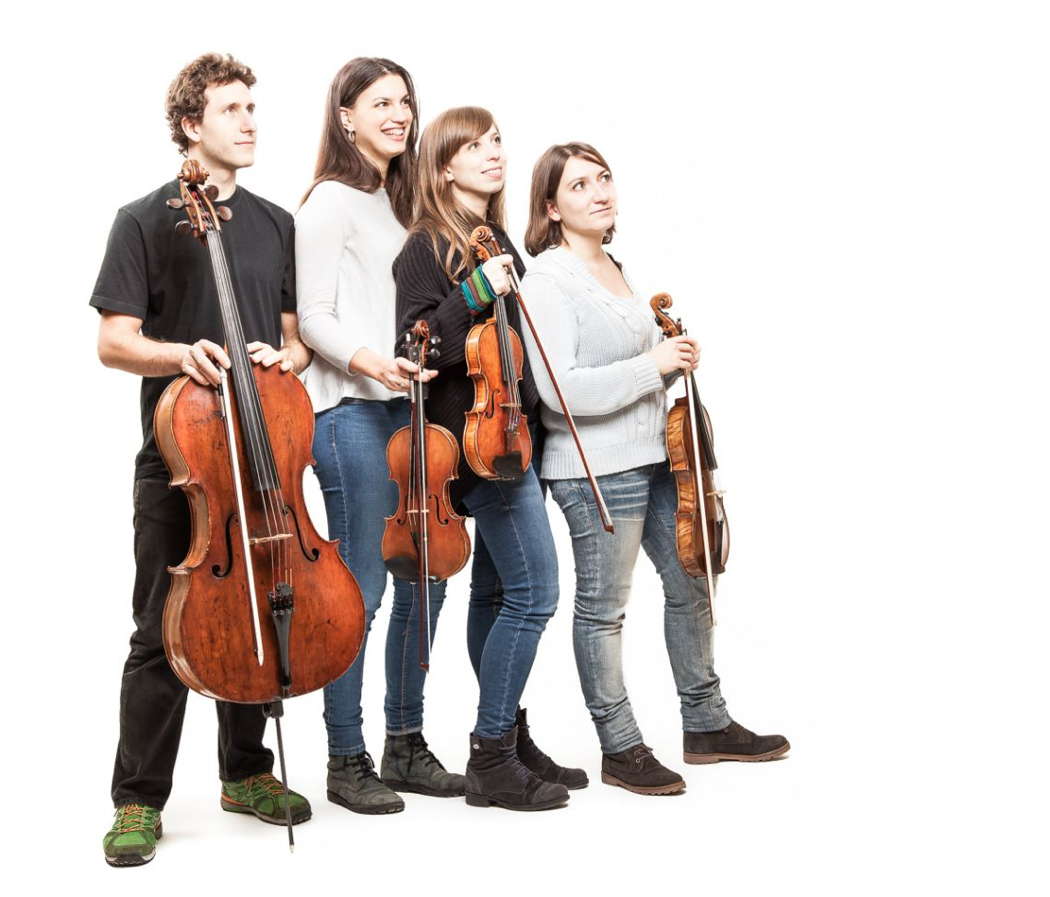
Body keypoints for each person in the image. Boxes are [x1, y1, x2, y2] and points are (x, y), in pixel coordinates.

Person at [90, 53, 312, 866]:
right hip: (179, 457)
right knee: (161, 627)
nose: (250, 121)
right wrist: (184, 353)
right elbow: (113, 341)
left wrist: (283, 356)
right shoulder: (145, 218)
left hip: (261, 455)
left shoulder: (275, 222)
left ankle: (245, 771)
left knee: (262, 604)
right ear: (191, 124)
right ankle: (138, 798)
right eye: (231, 109)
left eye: (254, 106)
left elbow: (290, 340)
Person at [520, 142, 790, 796]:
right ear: (552, 207)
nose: (599, 192)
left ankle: (705, 723)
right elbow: (560, 391)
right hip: (593, 469)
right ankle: (620, 745)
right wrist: (655, 365)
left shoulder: (613, 266)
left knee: (694, 576)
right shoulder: (548, 280)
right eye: (579, 185)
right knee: (604, 609)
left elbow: (636, 359)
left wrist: (673, 353)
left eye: (604, 178)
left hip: (656, 457)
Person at [393, 107, 586, 811]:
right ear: (444, 166)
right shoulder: (424, 247)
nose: (493, 153)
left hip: (516, 438)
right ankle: (492, 756)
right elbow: (414, 349)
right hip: (478, 449)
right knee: (537, 594)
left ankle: (510, 732)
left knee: (500, 595)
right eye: (474, 147)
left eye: (497, 141)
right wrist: (476, 290)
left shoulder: (499, 236)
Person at [295, 57, 463, 815]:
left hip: (410, 413)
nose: (398, 113)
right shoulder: (329, 202)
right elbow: (317, 312)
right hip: (350, 412)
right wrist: (370, 363)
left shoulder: (406, 208)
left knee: (423, 579)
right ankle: (345, 755)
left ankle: (404, 741)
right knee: (356, 590)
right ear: (346, 116)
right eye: (380, 102)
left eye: (405, 101)